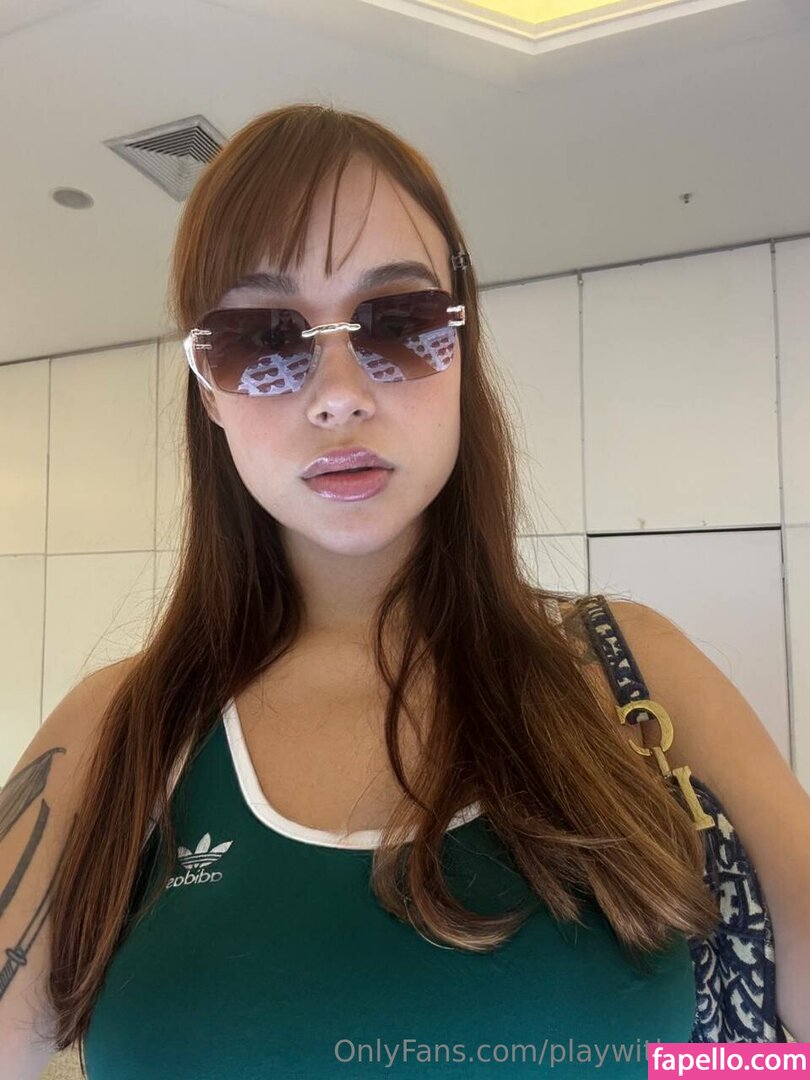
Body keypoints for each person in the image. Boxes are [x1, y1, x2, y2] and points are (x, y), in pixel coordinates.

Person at [3, 104, 807, 1080]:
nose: (339, 392)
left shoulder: (632, 670)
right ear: (209, 390)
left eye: (398, 320)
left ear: (460, 345)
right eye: (263, 337)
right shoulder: (119, 731)